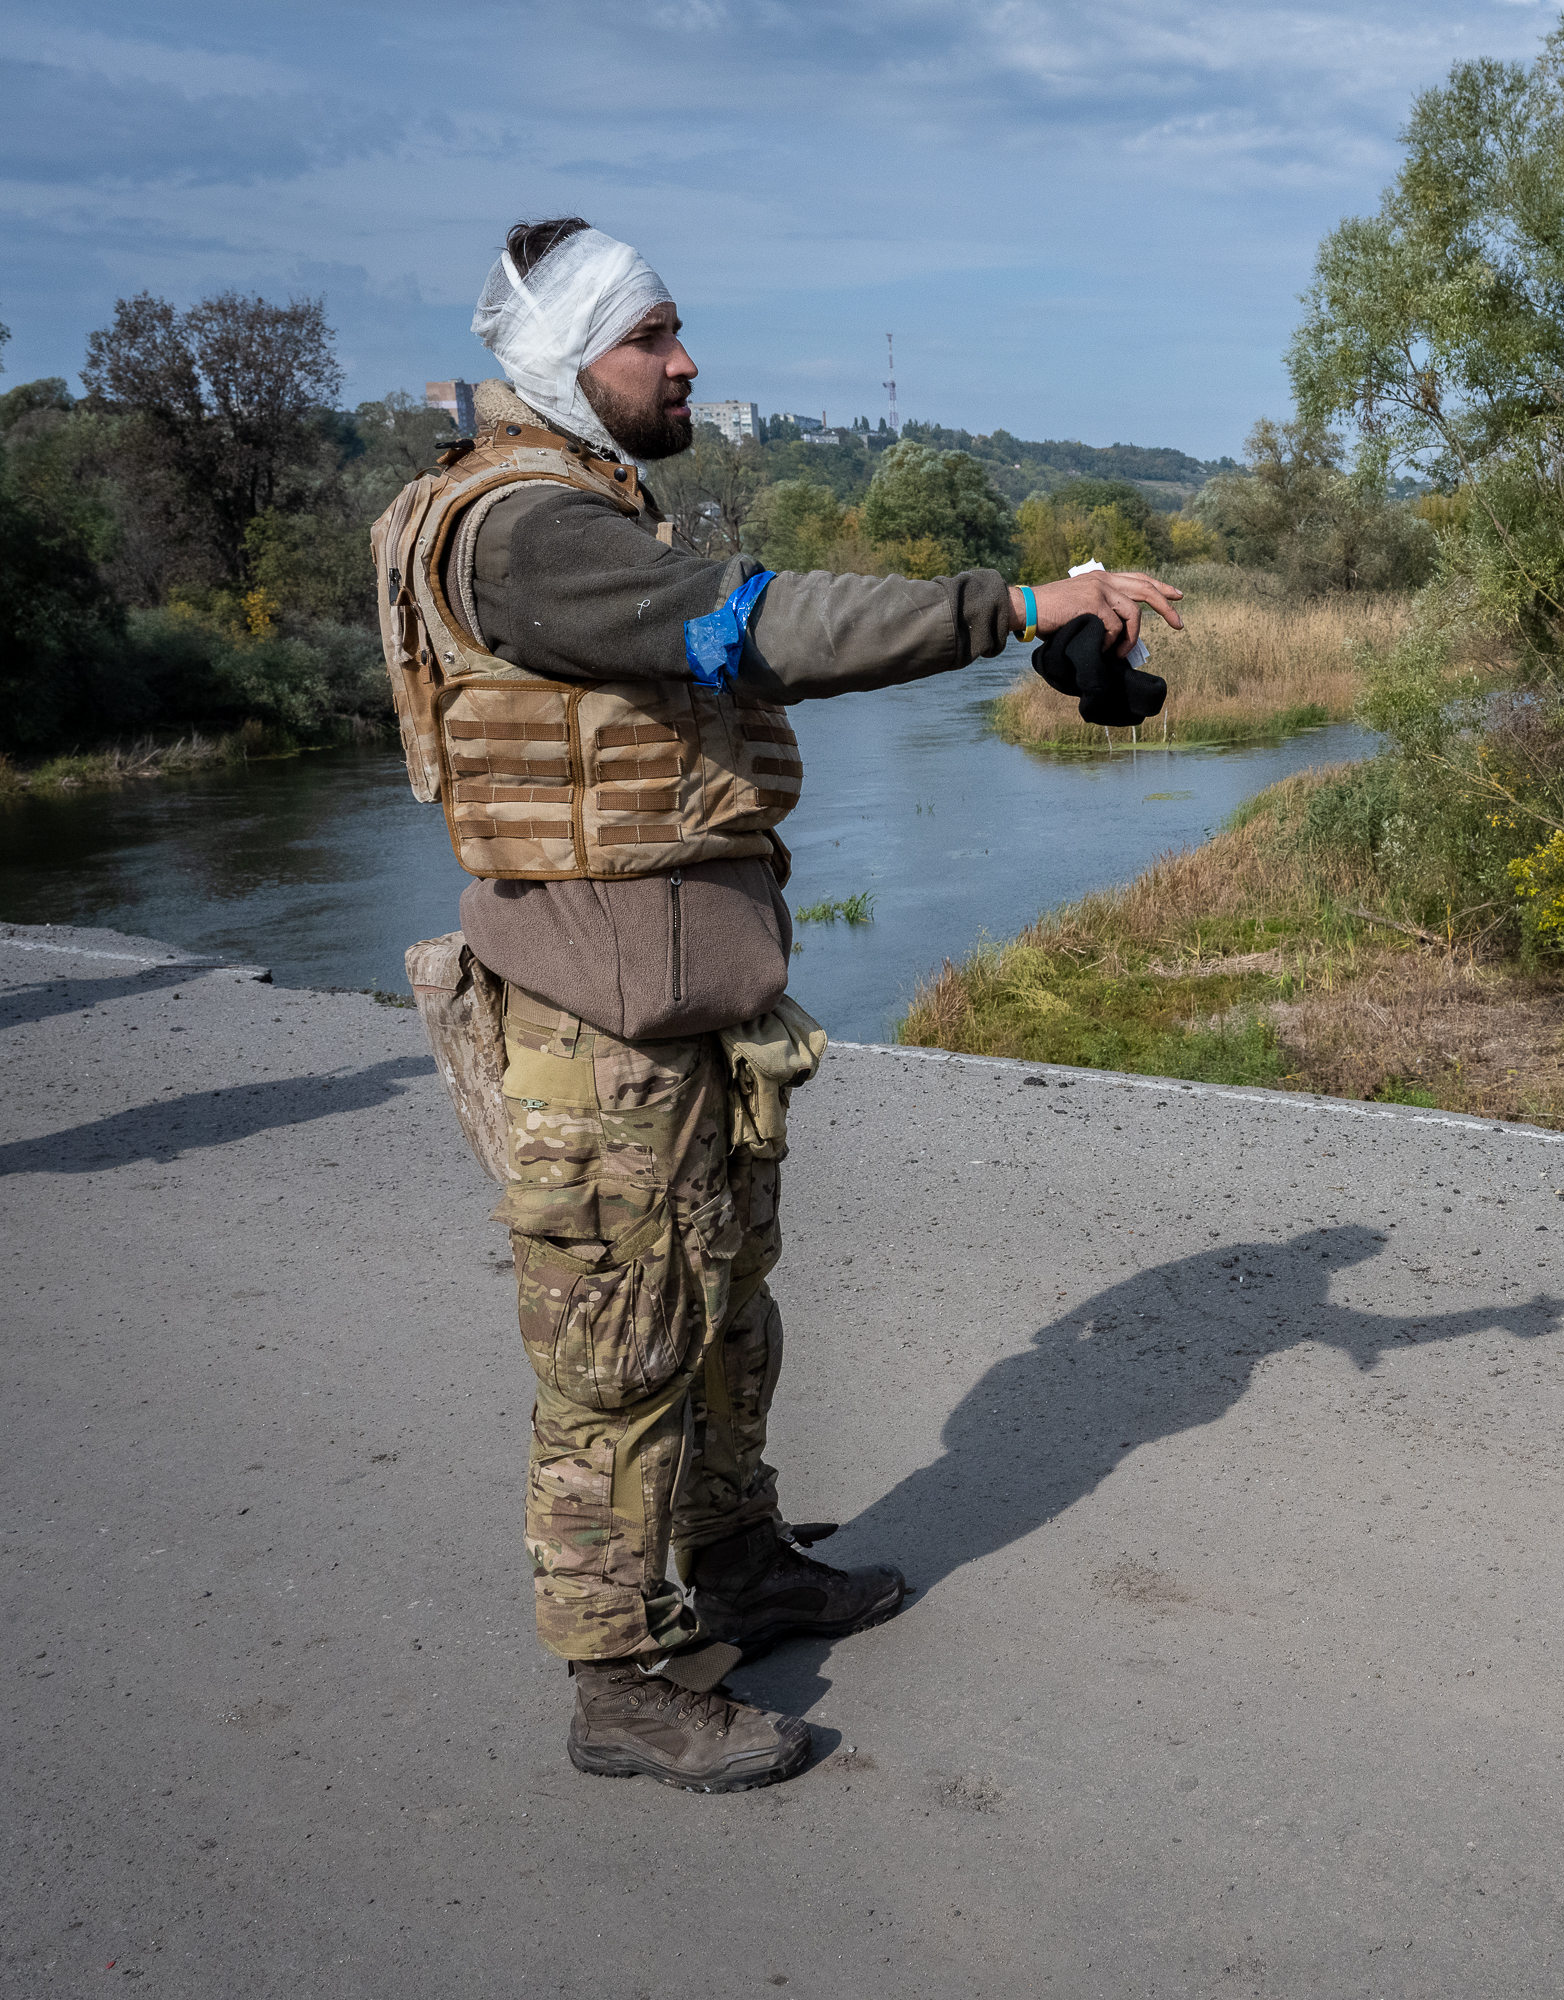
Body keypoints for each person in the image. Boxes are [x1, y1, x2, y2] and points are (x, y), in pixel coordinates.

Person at [376, 218, 1181, 1792]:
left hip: (683, 1010)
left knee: (723, 1306)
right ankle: (619, 1679)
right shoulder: (528, 534)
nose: (688, 362)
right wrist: (1009, 604)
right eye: (654, 337)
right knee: (618, 1346)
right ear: (563, 360)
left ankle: (736, 1561)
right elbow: (762, 627)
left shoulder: (585, 504)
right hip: (593, 1030)